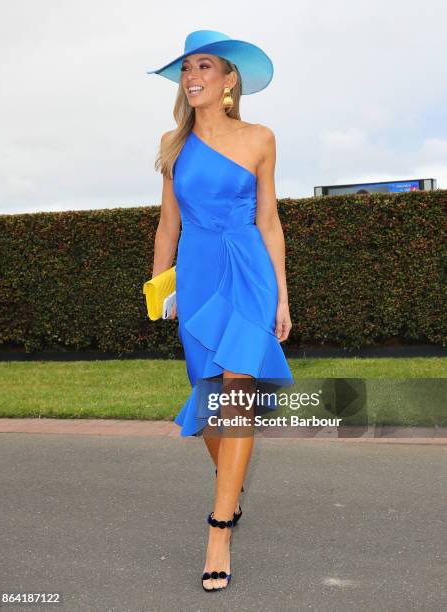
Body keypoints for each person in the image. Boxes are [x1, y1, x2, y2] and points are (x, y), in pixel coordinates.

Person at [147, 30, 294, 592]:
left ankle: (219, 527)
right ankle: (229, 476)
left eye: (204, 66)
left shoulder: (260, 137)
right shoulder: (173, 143)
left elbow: (270, 220)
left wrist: (281, 293)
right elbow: (168, 224)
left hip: (249, 270)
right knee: (211, 400)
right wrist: (160, 287)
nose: (193, 76)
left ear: (229, 79)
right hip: (199, 270)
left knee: (238, 394)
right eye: (187, 68)